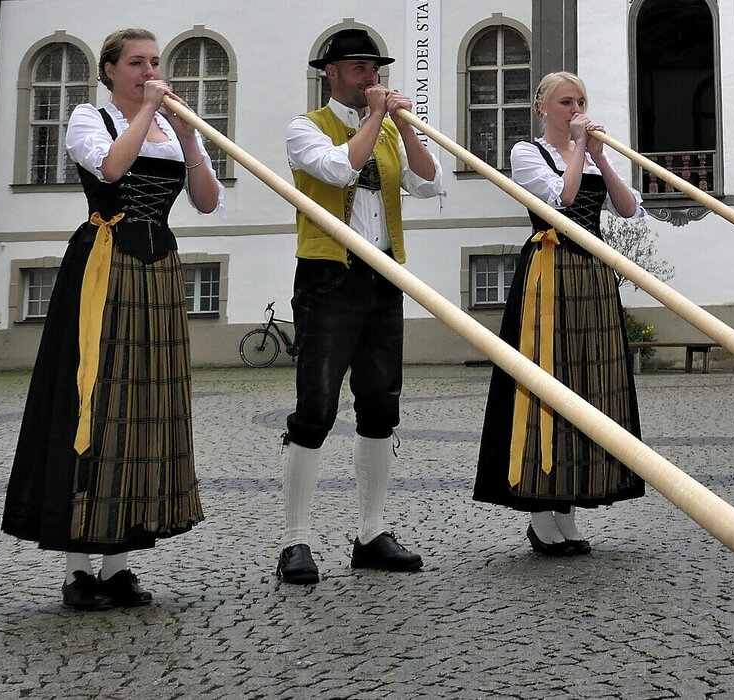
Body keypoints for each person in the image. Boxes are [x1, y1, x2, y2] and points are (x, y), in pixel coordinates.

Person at [2, 27, 222, 611]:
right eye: (136, 63)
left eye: (154, 61)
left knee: (144, 408)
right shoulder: (87, 119)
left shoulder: (171, 132)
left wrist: (193, 140)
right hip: (105, 264)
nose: (148, 70)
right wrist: (147, 110)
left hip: (157, 270)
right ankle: (79, 570)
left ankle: (119, 564)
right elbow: (109, 172)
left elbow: (205, 200)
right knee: (93, 401)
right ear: (109, 70)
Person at [274, 28, 441, 584]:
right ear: (332, 73)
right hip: (328, 274)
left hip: (384, 273)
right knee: (316, 407)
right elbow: (339, 170)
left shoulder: (391, 129)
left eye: (375, 68)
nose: (371, 76)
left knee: (379, 403)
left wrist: (407, 128)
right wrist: (376, 119)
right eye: (358, 68)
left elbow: (427, 185)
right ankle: (295, 540)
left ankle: (371, 532)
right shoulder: (306, 128)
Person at [474, 72, 646, 556]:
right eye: (566, 101)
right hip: (550, 274)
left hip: (591, 275)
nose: (576, 109)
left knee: (588, 384)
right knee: (546, 382)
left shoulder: (586, 154)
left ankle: (568, 506)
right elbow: (562, 201)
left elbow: (628, 208)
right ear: (542, 107)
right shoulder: (526, 152)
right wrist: (577, 149)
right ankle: (538, 511)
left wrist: (601, 156)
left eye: (581, 101)